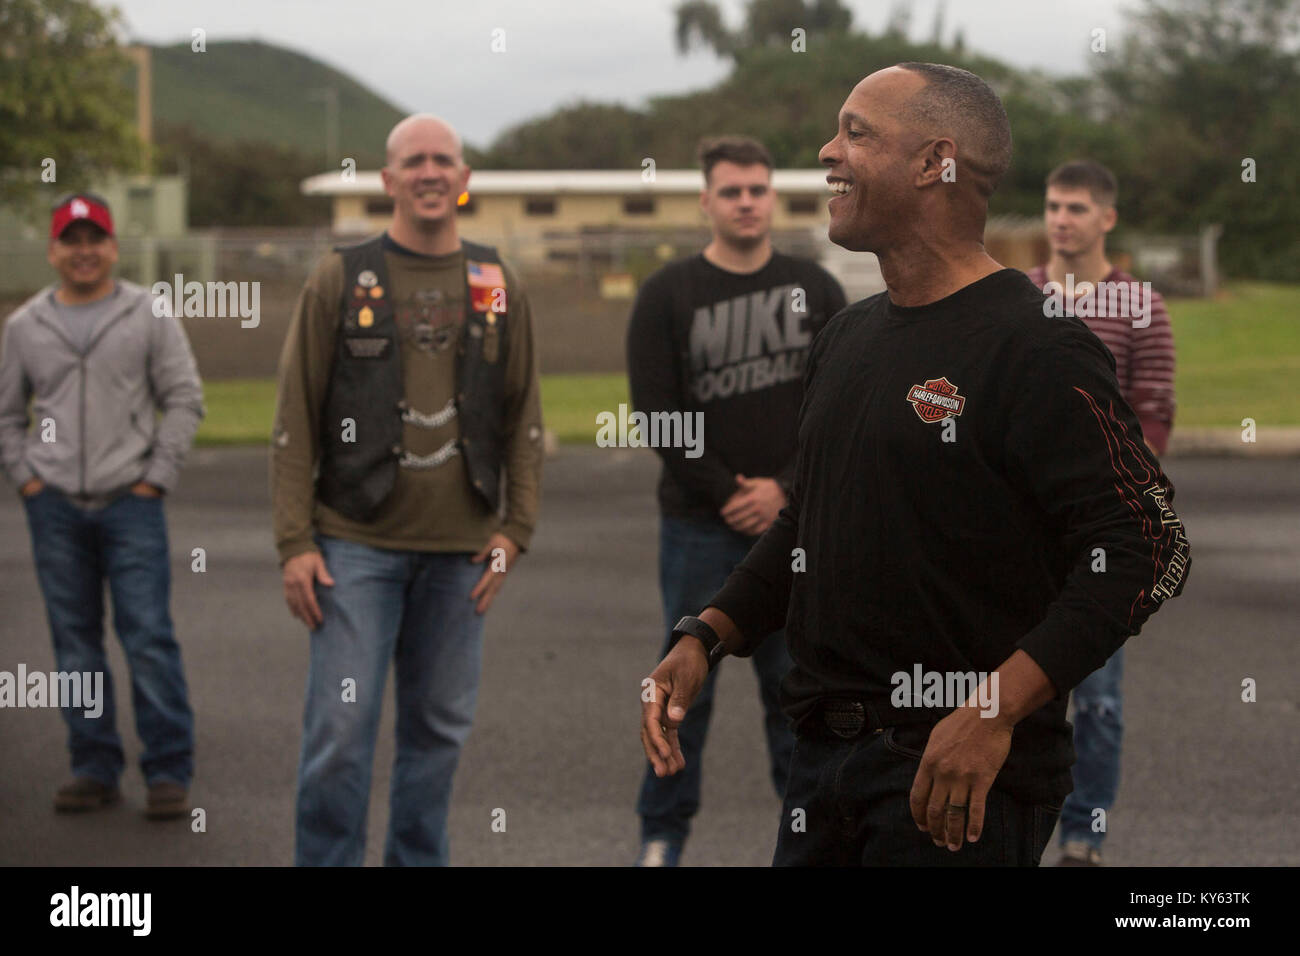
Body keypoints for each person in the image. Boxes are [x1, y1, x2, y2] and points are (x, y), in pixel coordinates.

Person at [639, 63, 1191, 866]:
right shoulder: (846, 336)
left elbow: (1151, 543)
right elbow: (809, 523)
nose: (828, 151)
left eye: (856, 132)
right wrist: (707, 634)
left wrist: (994, 711)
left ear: (938, 163)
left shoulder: (1038, 345)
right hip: (821, 767)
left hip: (953, 786)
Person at [271, 114, 544, 867]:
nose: (429, 172)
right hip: (353, 546)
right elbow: (295, 412)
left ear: (463, 180)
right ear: (389, 181)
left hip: (463, 555)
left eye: (443, 160)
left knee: (438, 734)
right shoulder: (341, 276)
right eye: (413, 161)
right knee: (338, 733)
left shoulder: (495, 283)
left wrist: (514, 532)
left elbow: (524, 414)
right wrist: (294, 540)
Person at [626, 136, 846, 866]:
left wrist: (782, 489)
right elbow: (659, 413)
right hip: (698, 526)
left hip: (797, 528)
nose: (747, 201)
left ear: (772, 197)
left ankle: (806, 844)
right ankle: (662, 838)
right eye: (732, 191)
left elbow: (836, 404)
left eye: (758, 189)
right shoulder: (667, 294)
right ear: (706, 200)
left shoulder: (815, 288)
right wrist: (727, 492)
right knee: (682, 684)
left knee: (796, 695)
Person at [0, 193, 204, 819]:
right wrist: (28, 480)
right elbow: (7, 415)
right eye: (71, 239)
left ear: (114, 246)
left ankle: (168, 770)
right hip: (55, 505)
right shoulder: (25, 325)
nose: (84, 251)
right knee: (74, 643)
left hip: (131, 503)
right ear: (53, 250)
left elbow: (185, 397)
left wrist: (156, 479)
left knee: (146, 636)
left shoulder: (148, 312)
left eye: (96, 239)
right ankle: (94, 766)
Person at [1024, 159, 1177, 866]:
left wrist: (1111, 505)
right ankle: (1007, 830)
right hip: (1018, 528)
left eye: (1077, 207)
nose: (1062, 218)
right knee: (1006, 686)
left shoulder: (1141, 307)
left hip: (1099, 529)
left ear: (1107, 219)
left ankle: (1084, 838)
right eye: (1054, 205)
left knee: (1098, 699)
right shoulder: (1016, 297)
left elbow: (1153, 415)